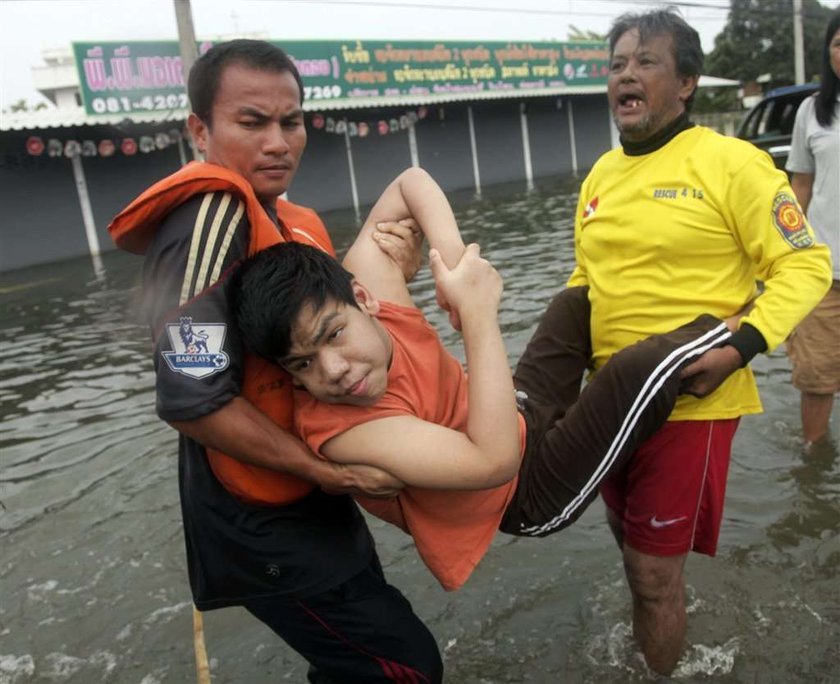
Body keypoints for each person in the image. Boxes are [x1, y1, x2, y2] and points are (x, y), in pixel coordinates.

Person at [108, 40, 444, 683]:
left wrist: (394, 276)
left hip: (310, 497)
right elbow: (191, 398)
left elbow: (337, 325)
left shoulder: (289, 220)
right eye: (251, 122)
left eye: (290, 121)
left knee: (353, 664)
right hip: (263, 521)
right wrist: (332, 474)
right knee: (403, 667)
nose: (278, 142)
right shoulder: (206, 223)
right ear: (199, 129)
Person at [231, 166, 736, 594]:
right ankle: (740, 323)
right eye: (302, 365)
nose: (333, 370)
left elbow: (410, 183)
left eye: (334, 335)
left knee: (572, 305)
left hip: (512, 411)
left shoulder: (371, 283)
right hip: (525, 490)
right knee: (637, 369)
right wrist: (475, 311)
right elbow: (494, 462)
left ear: (363, 300)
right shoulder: (345, 432)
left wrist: (454, 268)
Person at [567, 8, 833, 675]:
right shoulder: (599, 177)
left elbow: (805, 264)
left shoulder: (732, 164)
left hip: (692, 401)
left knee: (653, 575)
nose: (626, 74)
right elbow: (582, 282)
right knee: (630, 551)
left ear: (686, 83)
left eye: (645, 61)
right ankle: (655, 653)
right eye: (617, 64)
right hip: (608, 404)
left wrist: (740, 348)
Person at [785, 9, 840, 451]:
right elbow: (798, 189)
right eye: (838, 44)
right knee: (817, 379)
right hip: (826, 272)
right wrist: (785, 260)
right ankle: (814, 460)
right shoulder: (812, 112)